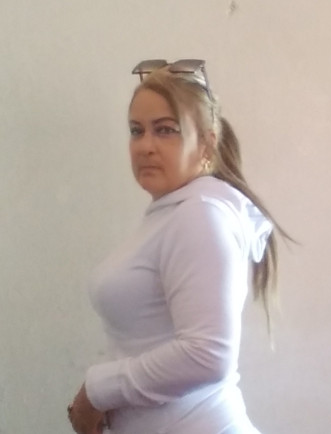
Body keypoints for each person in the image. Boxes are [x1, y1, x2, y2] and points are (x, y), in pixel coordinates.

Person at [68, 59, 281, 434]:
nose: (145, 146)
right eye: (137, 131)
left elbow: (207, 355)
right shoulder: (172, 214)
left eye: (165, 130)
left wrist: (97, 391)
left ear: (206, 144)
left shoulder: (200, 214)